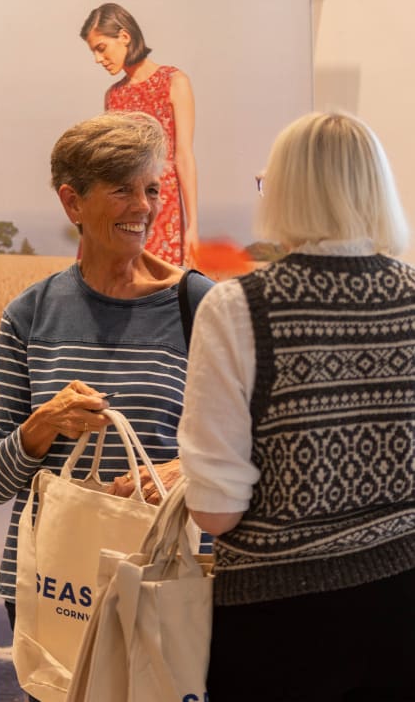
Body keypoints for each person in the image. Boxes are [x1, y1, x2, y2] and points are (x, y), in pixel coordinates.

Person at [178, 111, 415, 702]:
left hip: (279, 618)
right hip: (403, 601)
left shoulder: (238, 308)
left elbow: (215, 513)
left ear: (284, 190)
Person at [0, 110, 213, 702]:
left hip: (161, 581)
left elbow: (253, 447)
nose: (144, 206)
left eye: (151, 188)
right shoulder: (30, 315)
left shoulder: (198, 306)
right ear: (72, 202)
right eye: (122, 189)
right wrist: (42, 425)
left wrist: (181, 470)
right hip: (54, 585)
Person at [80, 2, 198, 267]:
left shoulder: (174, 82)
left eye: (101, 48)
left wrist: (193, 226)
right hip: (121, 209)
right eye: (94, 52)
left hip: (162, 209)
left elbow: (184, 156)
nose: (98, 59)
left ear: (124, 36)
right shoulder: (114, 95)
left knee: (162, 282)